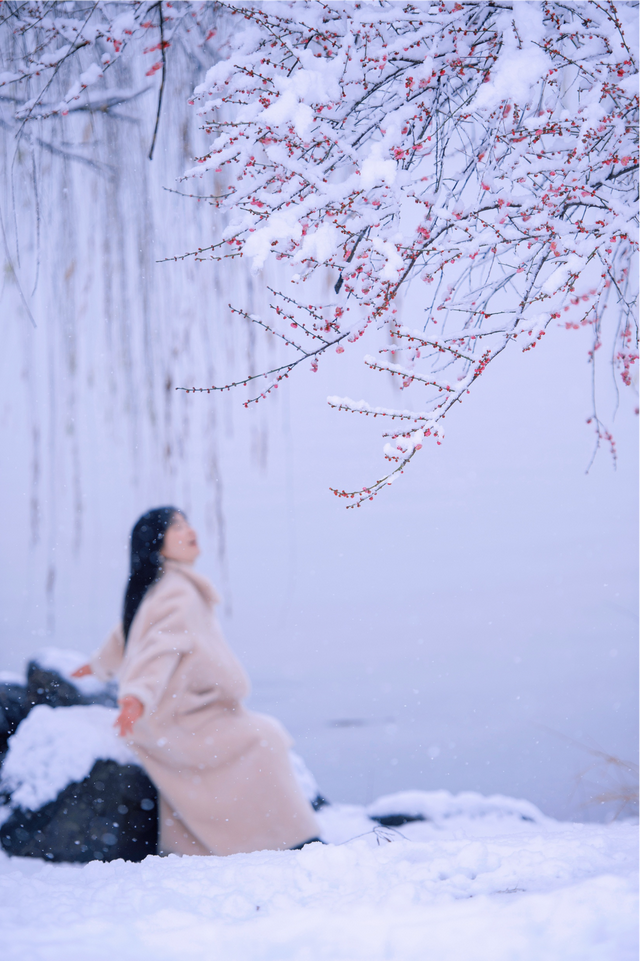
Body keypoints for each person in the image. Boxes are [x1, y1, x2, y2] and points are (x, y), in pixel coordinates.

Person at [73, 507, 320, 856]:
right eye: (176, 526)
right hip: (176, 717)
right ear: (158, 545)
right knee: (264, 739)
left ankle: (195, 845)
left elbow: (129, 632)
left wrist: (96, 667)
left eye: (187, 523)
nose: (189, 530)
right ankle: (288, 838)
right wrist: (137, 696)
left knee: (261, 736)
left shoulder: (162, 586)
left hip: (181, 708)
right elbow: (159, 645)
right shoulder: (177, 592)